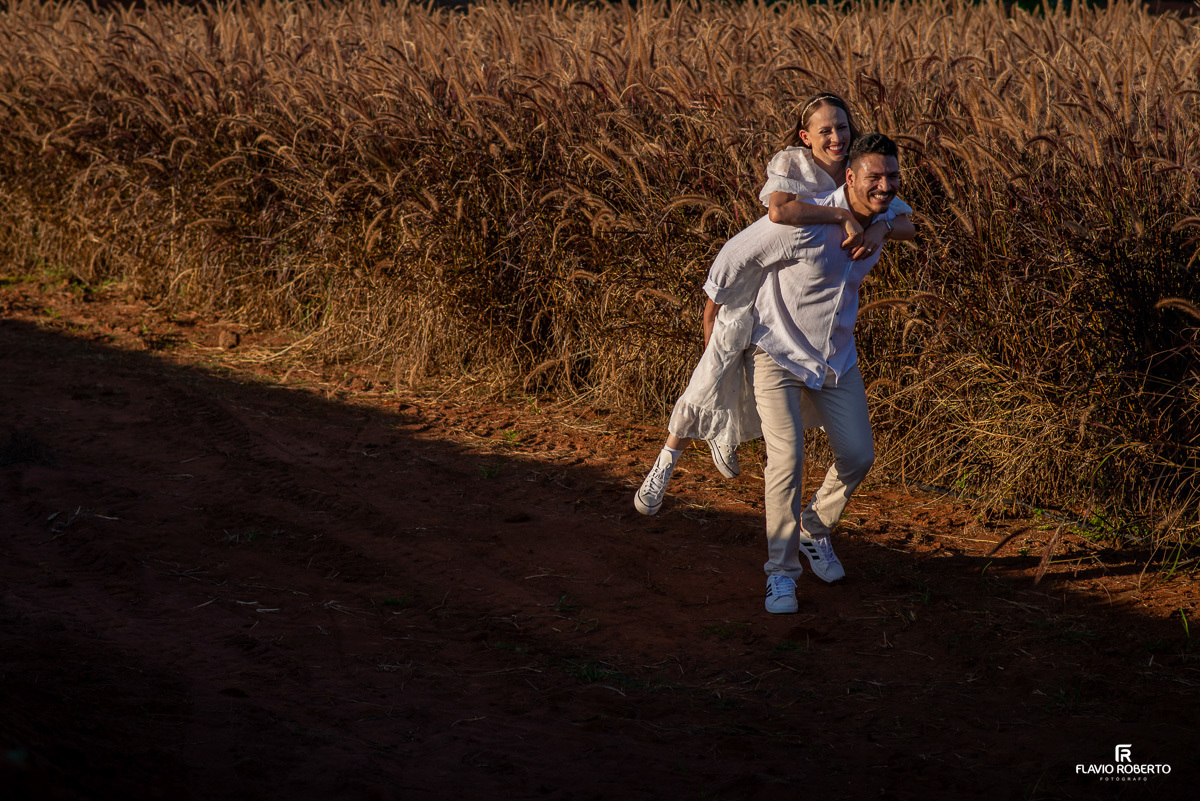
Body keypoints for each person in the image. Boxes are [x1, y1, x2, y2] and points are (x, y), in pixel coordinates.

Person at [634, 94, 913, 515]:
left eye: (843, 127)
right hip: (758, 279)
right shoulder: (795, 164)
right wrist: (841, 217)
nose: (837, 137)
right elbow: (777, 216)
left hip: (798, 286)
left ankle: (725, 434)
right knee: (713, 367)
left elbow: (906, 220)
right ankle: (666, 460)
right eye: (826, 131)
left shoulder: (864, 170)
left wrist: (883, 226)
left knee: (757, 391)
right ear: (806, 136)